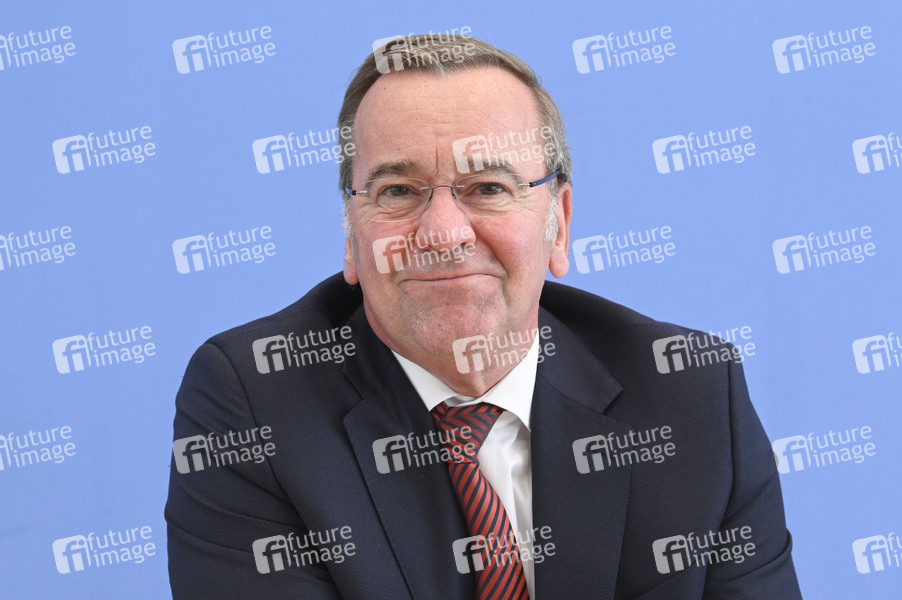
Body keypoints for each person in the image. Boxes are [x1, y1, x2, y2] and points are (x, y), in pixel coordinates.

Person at [166, 34, 803, 599]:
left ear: (559, 225)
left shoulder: (689, 391)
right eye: (397, 191)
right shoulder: (255, 401)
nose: (443, 234)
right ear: (351, 236)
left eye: (489, 188)